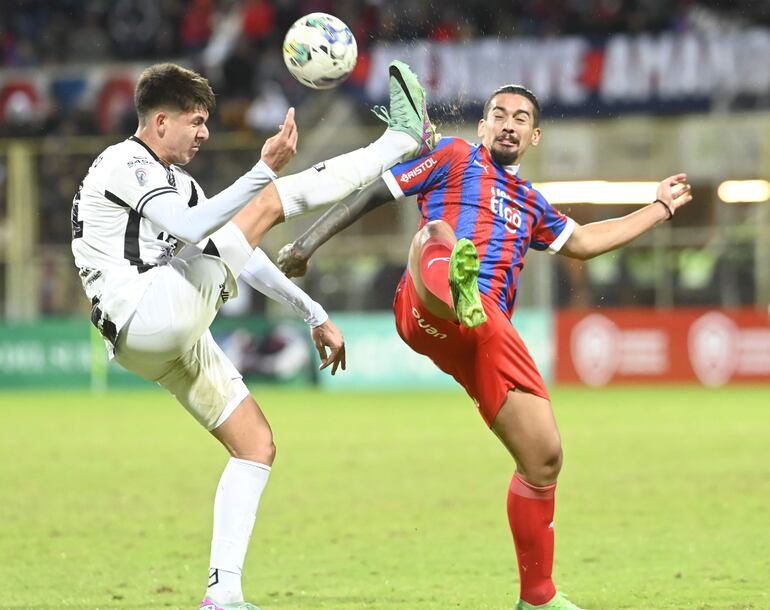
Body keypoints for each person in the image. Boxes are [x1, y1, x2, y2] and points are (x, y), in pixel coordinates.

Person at [272, 84, 693, 609]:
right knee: (440, 235)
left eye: (521, 118)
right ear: (483, 127)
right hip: (426, 304)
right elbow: (376, 192)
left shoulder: (533, 204)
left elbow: (583, 243)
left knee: (544, 458)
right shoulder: (452, 156)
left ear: (534, 135)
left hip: (484, 335)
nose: (509, 123)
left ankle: (536, 599)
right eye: (499, 115)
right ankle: (456, 283)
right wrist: (307, 245)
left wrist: (659, 208)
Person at [70, 61, 437, 610]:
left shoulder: (178, 184)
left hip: (155, 338)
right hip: (148, 312)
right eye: (195, 122)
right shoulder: (124, 161)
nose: (204, 133)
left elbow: (237, 254)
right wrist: (262, 172)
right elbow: (201, 230)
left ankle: (225, 596)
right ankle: (400, 141)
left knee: (255, 445)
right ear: (160, 121)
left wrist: (313, 312)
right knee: (267, 201)